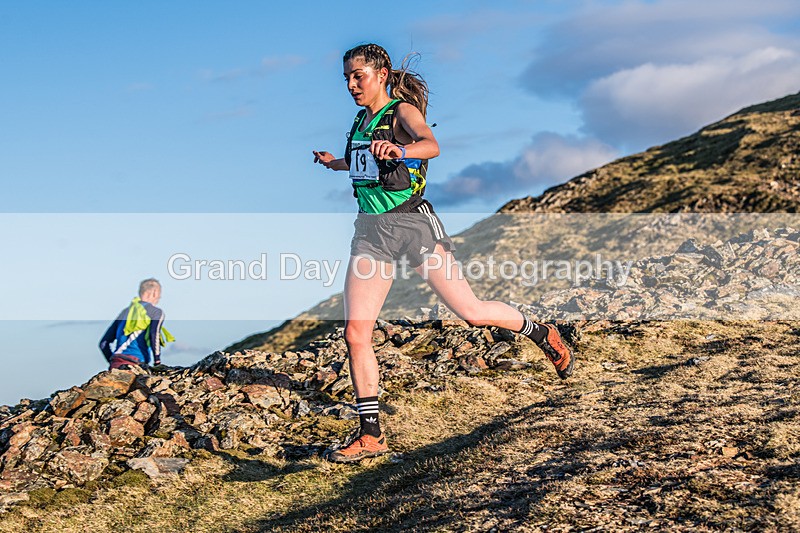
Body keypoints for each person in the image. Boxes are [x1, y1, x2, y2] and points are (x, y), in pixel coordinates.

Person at [313, 43, 574, 463]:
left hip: (412, 225)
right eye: (346, 78)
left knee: (471, 311)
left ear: (381, 75)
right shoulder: (360, 120)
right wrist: (335, 163)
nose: (351, 85)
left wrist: (401, 150)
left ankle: (542, 334)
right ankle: (371, 435)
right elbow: (360, 161)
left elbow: (430, 145)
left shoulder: (401, 112)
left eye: (358, 76)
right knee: (355, 333)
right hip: (371, 233)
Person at [99, 278, 174, 370]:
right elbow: (154, 335)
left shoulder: (125, 312)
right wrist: (157, 361)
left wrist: (113, 361)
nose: (158, 299)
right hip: (136, 362)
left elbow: (103, 344)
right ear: (155, 293)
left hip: (116, 363)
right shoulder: (155, 312)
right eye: (159, 296)